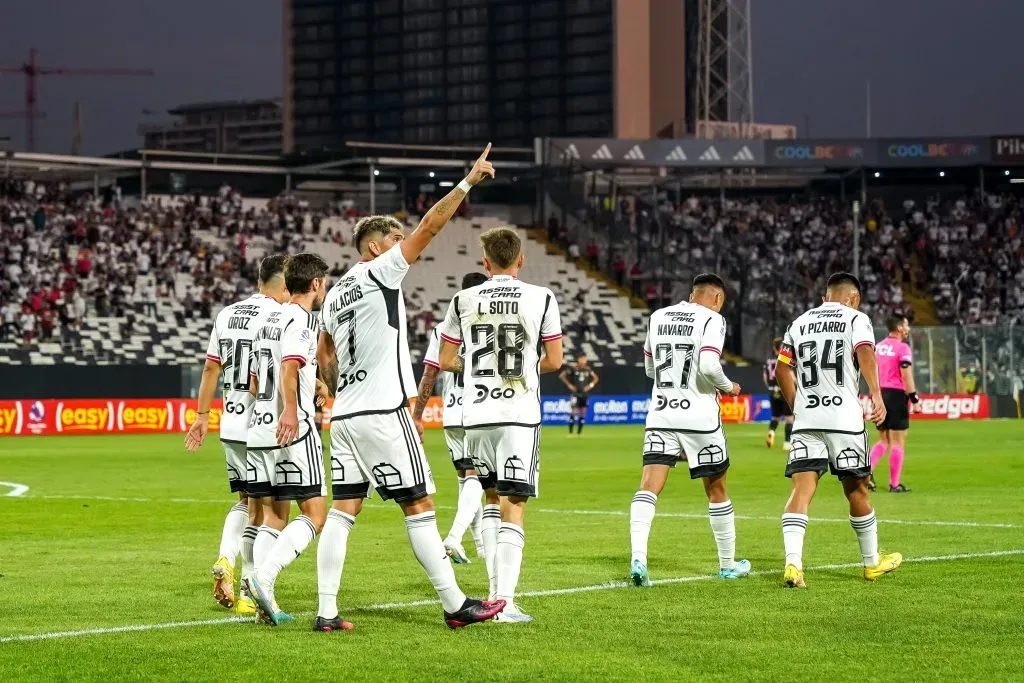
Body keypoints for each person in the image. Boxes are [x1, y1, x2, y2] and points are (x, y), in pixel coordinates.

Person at [315, 144, 504, 632]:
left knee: (343, 511)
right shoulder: (381, 270)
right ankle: (455, 604)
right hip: (383, 411)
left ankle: (326, 610)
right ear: (375, 247)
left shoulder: (335, 293)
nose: (403, 243)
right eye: (393, 237)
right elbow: (431, 227)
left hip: (346, 416)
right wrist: (466, 181)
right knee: (419, 507)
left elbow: (325, 356)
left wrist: (335, 392)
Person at [438, 226, 564, 623]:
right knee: (514, 504)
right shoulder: (541, 297)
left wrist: (476, 369)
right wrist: (525, 368)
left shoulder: (463, 299)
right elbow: (556, 361)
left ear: (485, 263)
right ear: (521, 259)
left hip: (475, 415)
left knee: (490, 498)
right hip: (518, 414)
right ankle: (505, 602)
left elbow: (445, 358)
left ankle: (493, 597)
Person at [774, 272, 902, 589]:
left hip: (807, 421)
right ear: (853, 298)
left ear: (826, 296)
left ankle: (793, 564)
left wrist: (796, 407)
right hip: (844, 420)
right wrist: (876, 395)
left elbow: (781, 368)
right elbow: (865, 353)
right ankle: (871, 564)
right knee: (856, 490)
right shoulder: (856, 318)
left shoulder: (799, 322)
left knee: (801, 491)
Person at [185, 254, 291, 616]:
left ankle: (226, 557)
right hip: (263, 421)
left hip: (229, 422)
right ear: (284, 283)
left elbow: (211, 367)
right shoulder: (279, 316)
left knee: (247, 502)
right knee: (270, 510)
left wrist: (202, 415)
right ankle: (250, 586)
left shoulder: (227, 313)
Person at [628, 273, 750, 588]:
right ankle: (727, 565)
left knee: (648, 486)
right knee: (716, 490)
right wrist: (730, 386)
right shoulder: (712, 319)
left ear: (692, 293)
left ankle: (638, 557)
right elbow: (709, 366)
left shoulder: (658, 316)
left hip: (662, 413)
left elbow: (649, 368)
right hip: (699, 417)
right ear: (718, 298)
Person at [243, 253, 331, 626]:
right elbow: (289, 365)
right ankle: (264, 578)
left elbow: (252, 380)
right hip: (291, 430)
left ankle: (257, 590)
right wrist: (293, 410)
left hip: (258, 427)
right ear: (314, 284)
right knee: (315, 514)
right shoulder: (299, 319)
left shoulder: (267, 318)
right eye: (323, 283)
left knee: (275, 515)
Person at [416, 272, 489, 566]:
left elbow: (430, 374)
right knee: (479, 478)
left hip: (452, 411)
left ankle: (480, 546)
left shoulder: (443, 327)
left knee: (466, 480)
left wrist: (417, 415)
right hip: (479, 408)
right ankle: (454, 538)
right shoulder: (488, 325)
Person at [868, 314, 917, 493]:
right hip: (896, 395)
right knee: (898, 442)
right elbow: (906, 375)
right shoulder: (902, 348)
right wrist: (914, 398)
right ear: (899, 328)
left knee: (883, 440)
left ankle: (867, 474)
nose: (908, 328)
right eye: (906, 324)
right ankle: (894, 484)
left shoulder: (878, 347)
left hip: (879, 395)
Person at [764, 337, 794, 450]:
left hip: (772, 391)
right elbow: (790, 375)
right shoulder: (784, 359)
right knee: (789, 418)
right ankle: (787, 443)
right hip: (783, 390)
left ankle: (771, 431)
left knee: (775, 417)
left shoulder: (768, 360)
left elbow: (765, 377)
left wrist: (770, 387)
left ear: (773, 347)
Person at [559, 353, 599, 437]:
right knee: (573, 412)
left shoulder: (588, 369)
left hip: (584, 394)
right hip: (575, 394)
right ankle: (570, 433)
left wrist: (590, 385)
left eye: (585, 359)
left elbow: (596, 378)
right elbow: (562, 376)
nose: (583, 360)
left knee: (583, 413)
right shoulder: (574, 368)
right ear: (578, 359)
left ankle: (579, 434)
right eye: (582, 359)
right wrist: (569, 385)